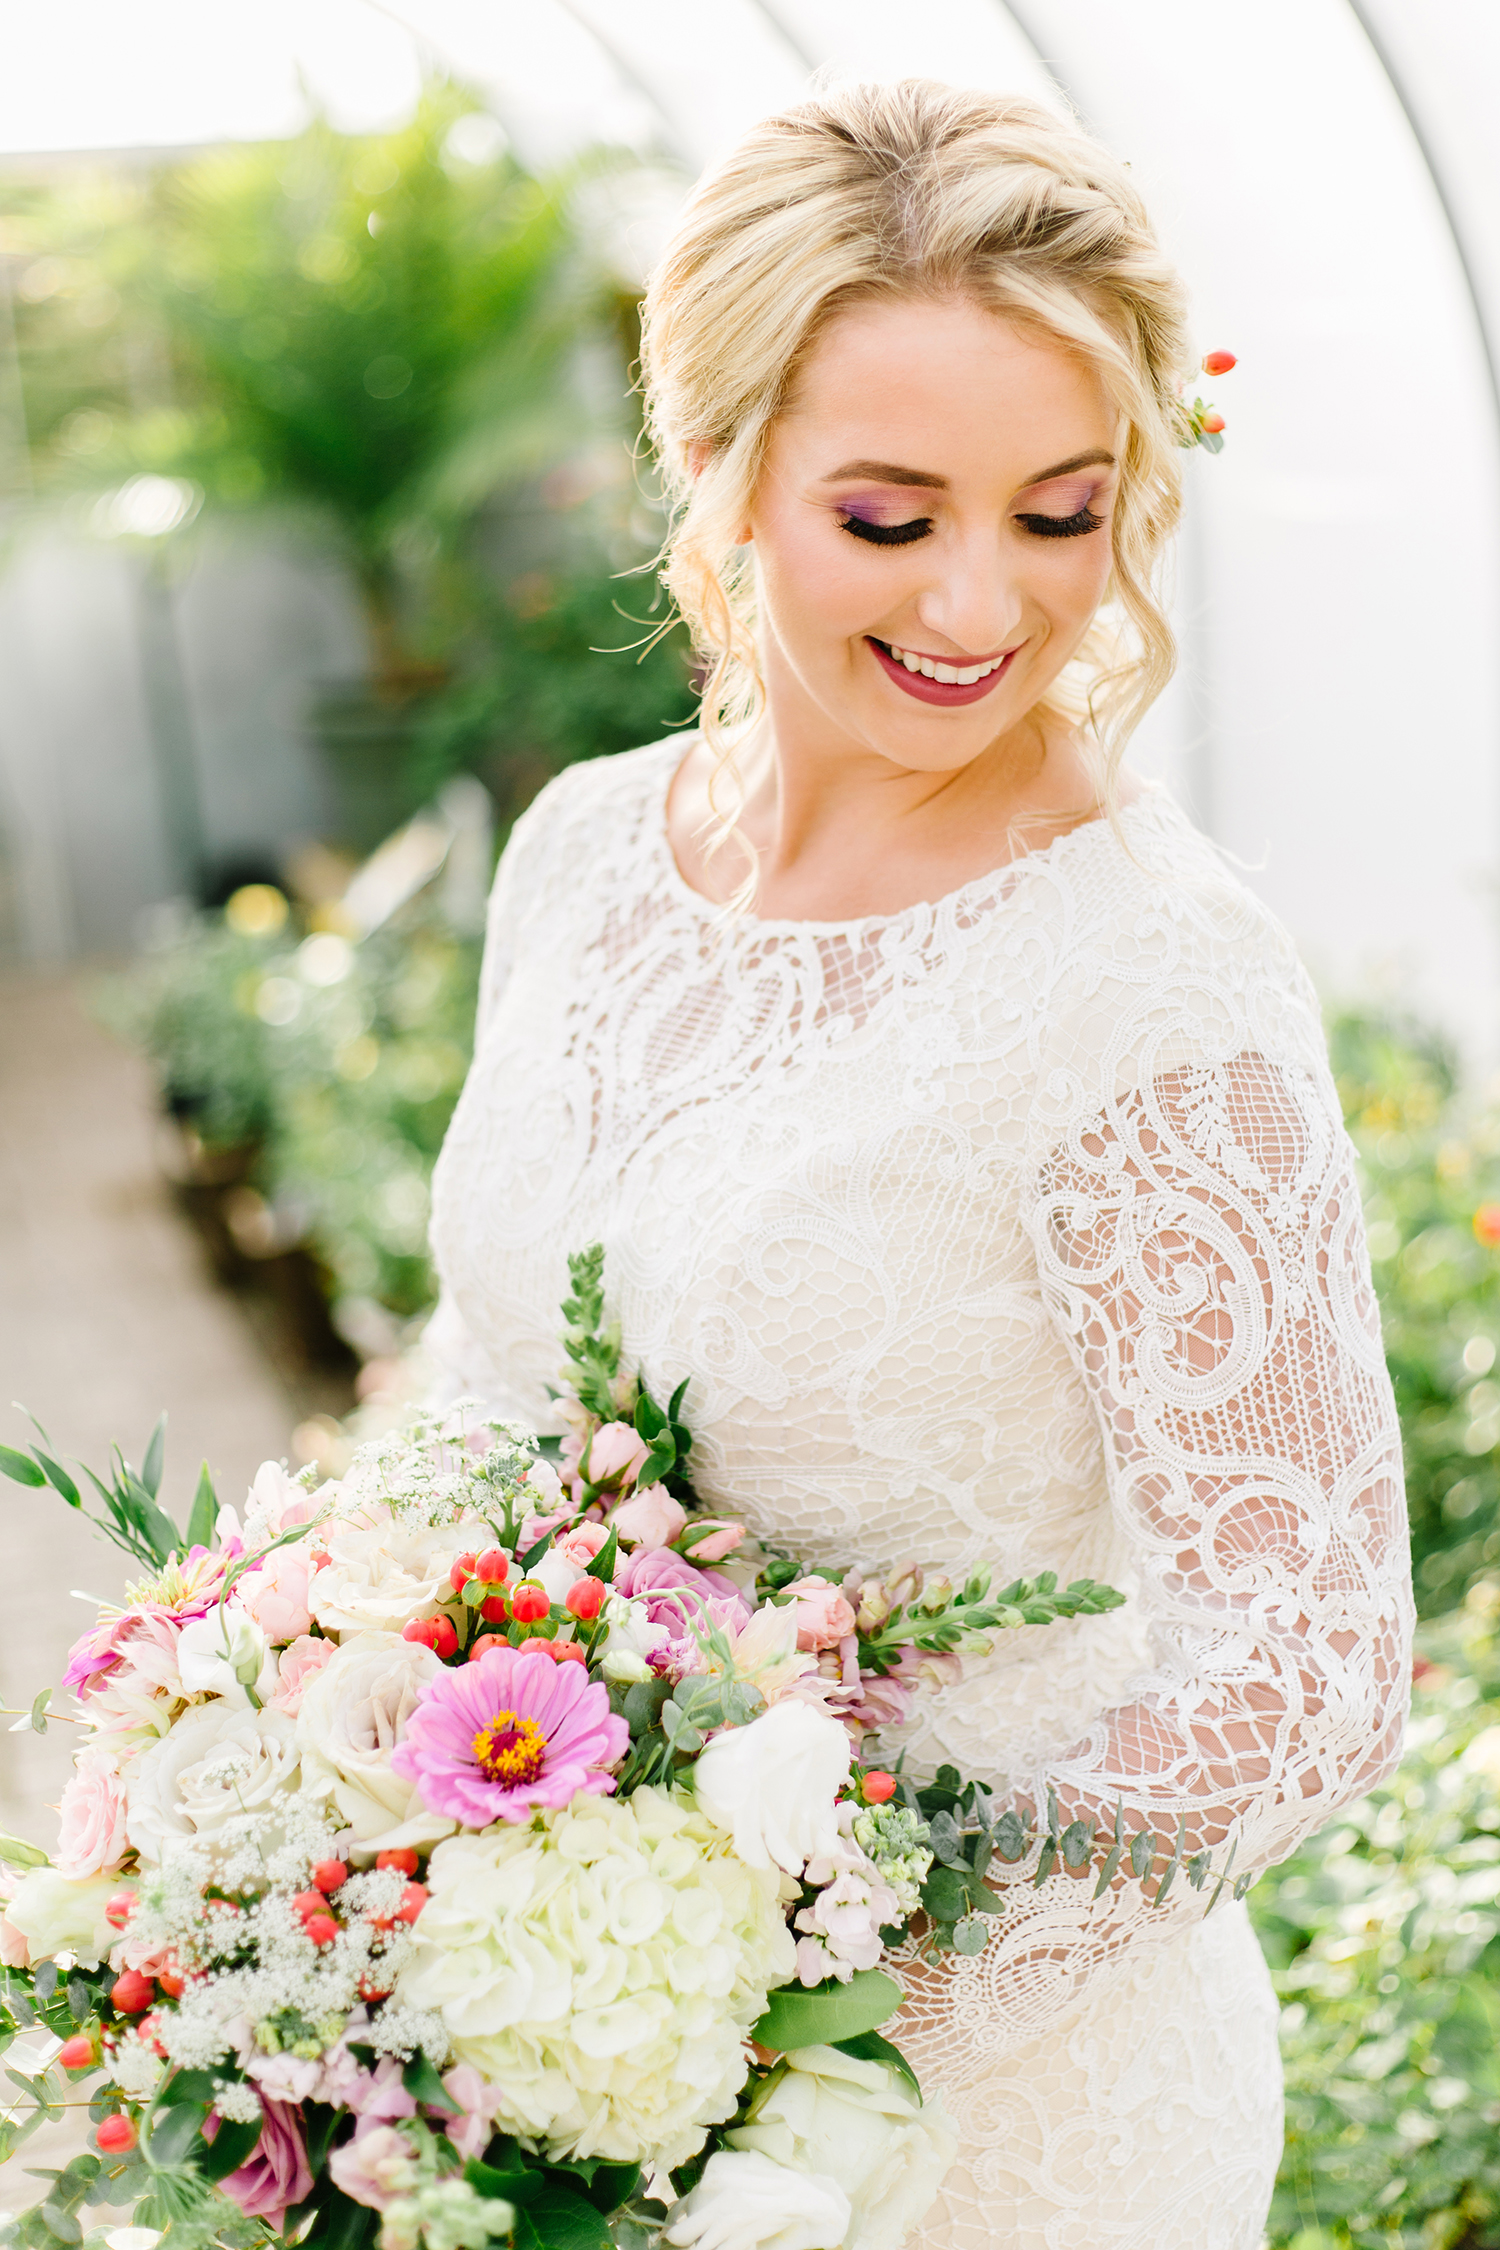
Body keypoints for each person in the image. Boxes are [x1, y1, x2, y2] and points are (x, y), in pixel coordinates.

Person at [424, 80, 1412, 2249]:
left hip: (1005, 2134)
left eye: (1063, 513)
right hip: (549, 2055)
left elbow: (1308, 1657)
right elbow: (473, 1374)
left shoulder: (1152, 981)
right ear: (714, 467)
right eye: (893, 517)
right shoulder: (581, 853)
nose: (990, 601)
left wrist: (817, 2031)